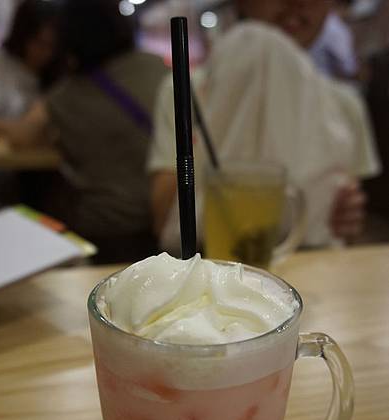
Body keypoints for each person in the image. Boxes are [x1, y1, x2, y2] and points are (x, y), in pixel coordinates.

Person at [148, 0, 379, 255]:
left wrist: (349, 221)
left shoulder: (345, 104)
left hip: (315, 277)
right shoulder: (184, 91)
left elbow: (352, 233)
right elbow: (165, 222)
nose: (297, 4)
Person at [0, 0, 168, 263]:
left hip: (107, 228)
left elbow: (22, 136)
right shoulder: (158, 68)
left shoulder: (65, 96)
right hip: (168, 215)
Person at [0, 0, 61, 118]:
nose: (46, 53)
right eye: (40, 43)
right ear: (23, 36)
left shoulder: (58, 80)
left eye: (52, 46)